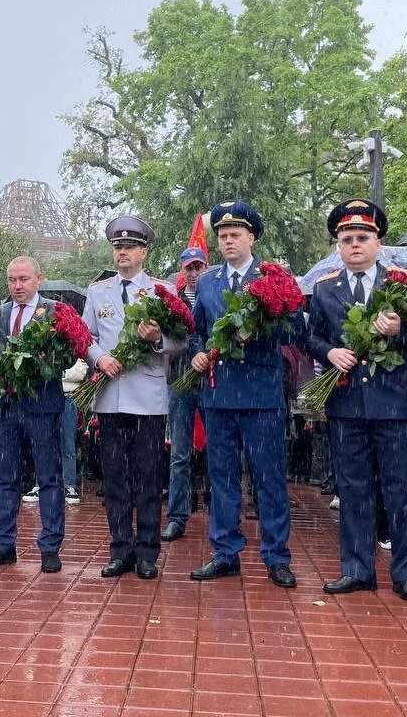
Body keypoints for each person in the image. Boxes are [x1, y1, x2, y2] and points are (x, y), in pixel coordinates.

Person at [308, 199, 407, 602]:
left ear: (378, 241)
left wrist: (399, 328)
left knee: (401, 490)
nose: (355, 245)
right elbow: (309, 336)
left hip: (393, 404)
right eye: (347, 239)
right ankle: (357, 569)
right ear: (338, 245)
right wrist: (328, 353)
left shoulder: (401, 283)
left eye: (363, 237)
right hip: (346, 404)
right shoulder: (325, 288)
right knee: (353, 488)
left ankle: (406, 573)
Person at [186, 201, 303, 587]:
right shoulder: (207, 282)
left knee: (268, 477)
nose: (228, 241)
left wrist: (259, 331)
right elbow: (195, 330)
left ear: (251, 237)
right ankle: (225, 552)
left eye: (235, 234)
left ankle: (276, 555)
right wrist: (199, 352)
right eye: (222, 236)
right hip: (218, 396)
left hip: (261, 395)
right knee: (221, 477)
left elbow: (294, 332)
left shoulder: (273, 277)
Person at [82, 215, 183, 580]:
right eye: (117, 247)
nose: (122, 253)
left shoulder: (161, 291)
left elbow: (179, 341)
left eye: (129, 247)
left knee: (148, 476)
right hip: (109, 396)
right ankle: (120, 548)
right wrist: (98, 357)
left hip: (147, 396)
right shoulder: (98, 291)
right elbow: (86, 336)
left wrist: (157, 338)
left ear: (144, 251)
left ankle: (147, 552)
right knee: (114, 478)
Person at [0, 256, 66, 573]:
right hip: (5, 407)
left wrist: (43, 359)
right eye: (12, 280)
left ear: (39, 278)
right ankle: (3, 544)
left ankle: (50, 546)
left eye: (23, 279)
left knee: (48, 477)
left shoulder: (55, 311)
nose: (17, 286)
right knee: (6, 476)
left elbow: (66, 357)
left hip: (42, 406)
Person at [163, 246, 208, 544]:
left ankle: (220, 513)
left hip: (210, 381)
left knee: (218, 450)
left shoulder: (215, 296)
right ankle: (177, 516)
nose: (193, 274)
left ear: (206, 267)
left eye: (198, 267)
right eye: (188, 268)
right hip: (180, 381)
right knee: (179, 454)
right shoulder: (172, 302)